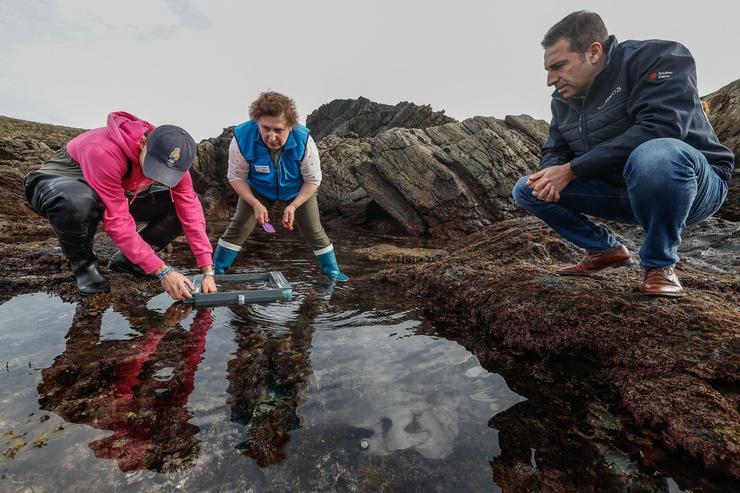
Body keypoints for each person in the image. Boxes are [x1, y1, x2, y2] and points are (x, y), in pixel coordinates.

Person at [512, 11, 734, 297]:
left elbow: (662, 127)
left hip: (692, 185)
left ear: (593, 52)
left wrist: (571, 170)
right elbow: (556, 148)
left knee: (657, 154)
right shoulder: (563, 99)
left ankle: (660, 266)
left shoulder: (658, 57)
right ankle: (605, 249)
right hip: (621, 191)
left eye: (558, 66)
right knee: (527, 188)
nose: (550, 80)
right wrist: (551, 174)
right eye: (548, 70)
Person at [24, 111, 217, 299]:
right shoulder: (103, 151)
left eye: (164, 173)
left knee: (195, 202)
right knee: (77, 201)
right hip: (58, 183)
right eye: (153, 167)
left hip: (116, 192)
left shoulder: (175, 159)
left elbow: (190, 209)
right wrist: (163, 272)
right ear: (142, 143)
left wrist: (207, 270)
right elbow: (117, 221)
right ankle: (84, 266)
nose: (155, 176)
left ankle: (129, 262)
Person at [212, 91, 349, 281]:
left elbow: (313, 180)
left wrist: (293, 206)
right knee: (239, 225)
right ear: (257, 122)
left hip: (296, 189)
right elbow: (236, 177)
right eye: (266, 128)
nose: (271, 136)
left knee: (313, 229)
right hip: (259, 188)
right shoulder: (242, 138)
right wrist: (255, 203)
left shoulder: (304, 141)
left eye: (279, 130)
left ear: (290, 126)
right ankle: (216, 272)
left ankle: (332, 273)